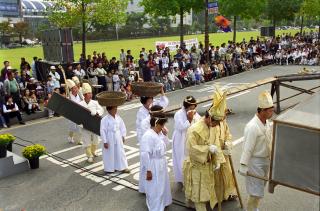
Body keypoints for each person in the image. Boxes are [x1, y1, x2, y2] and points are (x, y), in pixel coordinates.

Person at [183, 89, 227, 211]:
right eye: (215, 122)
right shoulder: (194, 129)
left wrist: (217, 160)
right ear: (209, 118)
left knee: (206, 194)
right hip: (197, 167)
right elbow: (191, 149)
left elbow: (216, 145)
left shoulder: (212, 127)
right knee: (199, 198)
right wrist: (207, 148)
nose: (216, 125)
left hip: (208, 167)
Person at [239, 91, 274, 211]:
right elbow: (247, 148)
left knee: (259, 190)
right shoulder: (252, 126)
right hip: (255, 163)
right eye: (270, 110)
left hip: (265, 161)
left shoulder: (267, 122)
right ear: (262, 111)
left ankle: (254, 208)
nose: (272, 112)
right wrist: (243, 164)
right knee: (255, 192)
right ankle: (250, 209)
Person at [141, 114, 172, 210]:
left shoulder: (159, 134)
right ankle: (155, 207)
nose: (163, 127)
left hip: (161, 162)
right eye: (161, 125)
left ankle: (163, 203)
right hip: (153, 164)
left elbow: (167, 144)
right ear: (156, 124)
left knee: (162, 185)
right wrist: (148, 170)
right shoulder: (148, 136)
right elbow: (145, 154)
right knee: (155, 187)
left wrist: (165, 135)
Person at [172, 96, 201, 184]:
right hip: (180, 138)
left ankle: (191, 178)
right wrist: (189, 119)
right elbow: (180, 127)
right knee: (181, 158)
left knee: (190, 158)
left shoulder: (194, 113)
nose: (192, 109)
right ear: (186, 106)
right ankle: (183, 179)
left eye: (194, 107)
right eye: (190, 107)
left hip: (191, 138)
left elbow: (199, 122)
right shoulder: (178, 114)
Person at [100, 106, 129, 173]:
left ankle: (123, 167)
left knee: (120, 151)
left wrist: (123, 136)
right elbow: (102, 130)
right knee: (109, 153)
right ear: (109, 110)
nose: (116, 110)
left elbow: (122, 127)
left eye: (116, 109)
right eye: (114, 109)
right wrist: (105, 141)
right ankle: (109, 168)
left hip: (118, 136)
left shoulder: (118, 117)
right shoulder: (104, 119)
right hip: (109, 137)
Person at [79, 83, 104, 163]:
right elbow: (77, 115)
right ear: (85, 95)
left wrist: (97, 112)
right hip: (85, 125)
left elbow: (101, 110)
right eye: (89, 93)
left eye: (91, 93)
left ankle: (93, 151)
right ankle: (89, 155)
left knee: (96, 140)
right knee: (86, 141)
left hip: (94, 124)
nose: (90, 95)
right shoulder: (80, 104)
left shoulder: (95, 102)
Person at [66, 79, 83, 144]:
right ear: (71, 89)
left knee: (80, 127)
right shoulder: (69, 97)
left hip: (79, 113)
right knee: (72, 127)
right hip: (72, 114)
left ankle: (80, 140)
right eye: (74, 88)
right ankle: (70, 137)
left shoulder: (79, 95)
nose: (76, 89)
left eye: (76, 88)